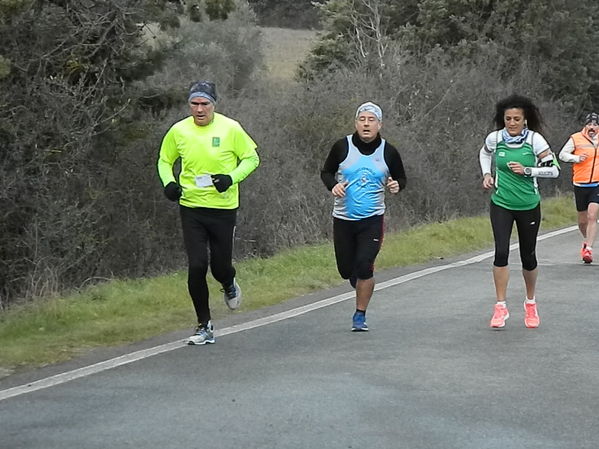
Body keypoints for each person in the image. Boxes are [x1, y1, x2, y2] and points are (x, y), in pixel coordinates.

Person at [157, 81, 260, 345]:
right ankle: (204, 325)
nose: (200, 109)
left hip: (223, 208)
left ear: (214, 104)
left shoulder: (230, 128)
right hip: (191, 207)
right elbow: (164, 161)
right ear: (189, 105)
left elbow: (251, 159)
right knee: (197, 266)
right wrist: (169, 183)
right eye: (195, 104)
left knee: (220, 267)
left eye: (205, 104)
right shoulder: (179, 131)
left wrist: (231, 178)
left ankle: (228, 283)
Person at [321, 101, 406, 332]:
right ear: (356, 123)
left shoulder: (389, 151)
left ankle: (360, 315)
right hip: (343, 219)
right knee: (347, 270)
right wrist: (333, 186)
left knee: (365, 265)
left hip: (372, 219)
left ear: (379, 124)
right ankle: (357, 279)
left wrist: (396, 185)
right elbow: (326, 171)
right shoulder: (342, 146)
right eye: (362, 119)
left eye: (371, 120)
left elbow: (401, 178)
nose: (366, 124)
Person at [479, 94, 559, 329]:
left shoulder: (535, 141)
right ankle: (500, 306)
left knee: (528, 256)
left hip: (528, 205)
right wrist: (486, 174)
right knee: (501, 252)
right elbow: (484, 153)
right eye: (508, 119)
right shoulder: (495, 139)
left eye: (516, 119)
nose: (512, 123)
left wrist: (528, 170)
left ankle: (530, 302)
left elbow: (554, 171)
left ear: (525, 120)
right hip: (501, 203)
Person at [558, 112, 599, 264]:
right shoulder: (576, 138)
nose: (592, 127)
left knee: (592, 215)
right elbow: (562, 154)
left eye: (595, 124)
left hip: (597, 183)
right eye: (590, 124)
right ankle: (587, 241)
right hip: (580, 183)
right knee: (582, 221)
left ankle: (589, 248)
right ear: (585, 125)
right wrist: (576, 158)